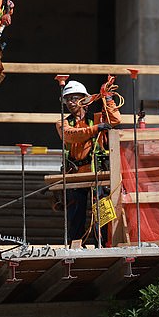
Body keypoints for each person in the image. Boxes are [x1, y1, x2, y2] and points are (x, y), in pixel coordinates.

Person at [55, 78, 121, 245]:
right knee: (75, 216)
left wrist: (107, 98)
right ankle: (75, 247)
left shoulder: (97, 118)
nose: (70, 102)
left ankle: (104, 245)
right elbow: (71, 135)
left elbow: (115, 120)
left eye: (74, 98)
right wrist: (96, 129)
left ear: (85, 100)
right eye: (67, 99)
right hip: (75, 175)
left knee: (102, 214)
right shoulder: (63, 123)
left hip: (97, 173)